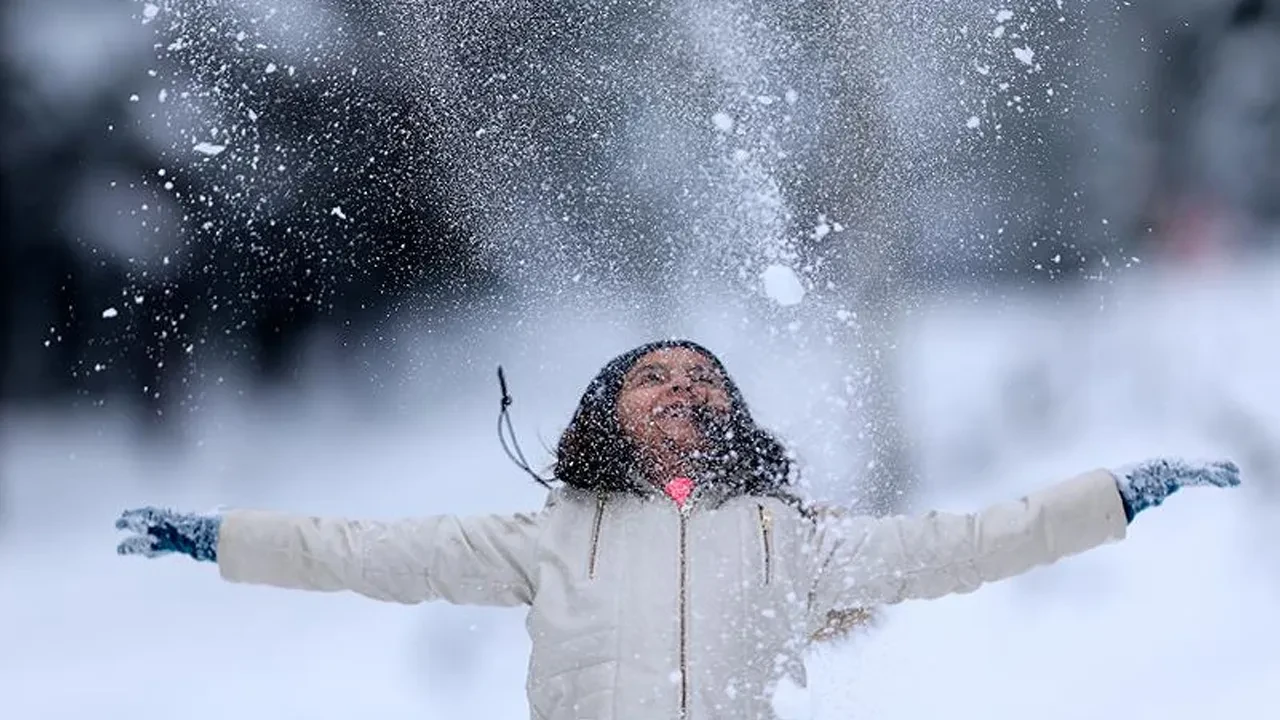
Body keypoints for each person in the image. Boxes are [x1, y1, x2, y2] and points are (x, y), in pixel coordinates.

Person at [116, 339, 1241, 720]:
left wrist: (1116, 496)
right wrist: (219, 538)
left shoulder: (790, 541)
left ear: (732, 415)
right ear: (606, 414)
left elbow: (969, 541)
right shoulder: (546, 536)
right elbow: (358, 551)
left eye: (703, 378)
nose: (681, 389)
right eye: (651, 376)